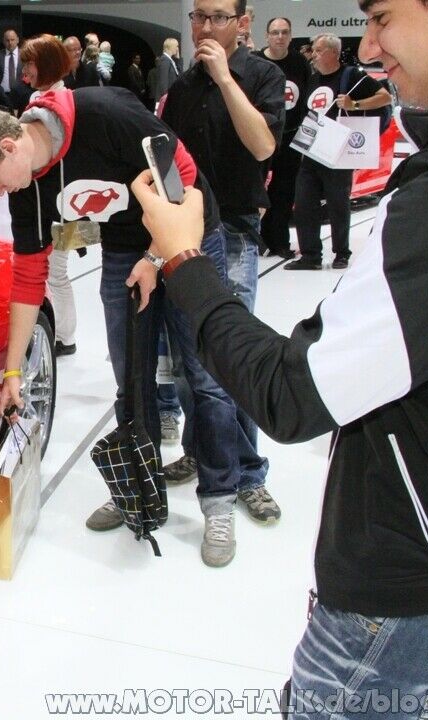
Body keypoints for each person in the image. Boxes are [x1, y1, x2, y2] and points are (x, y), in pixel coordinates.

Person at [130, 0, 428, 699]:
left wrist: (182, 257)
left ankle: (237, 481)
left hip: (422, 588)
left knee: (221, 386)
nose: (368, 46)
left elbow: (293, 394)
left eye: (384, 17)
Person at [0, 89, 225, 547]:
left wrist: (155, 259)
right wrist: (13, 369)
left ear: (9, 146)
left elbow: (184, 183)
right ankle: (139, 488)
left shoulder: (106, 116)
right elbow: (29, 277)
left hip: (188, 234)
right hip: (122, 246)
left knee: (203, 374)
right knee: (131, 378)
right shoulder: (27, 187)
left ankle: (219, 499)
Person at [159, 0, 286, 528]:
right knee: (190, 359)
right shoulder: (182, 89)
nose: (204, 28)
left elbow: (263, 146)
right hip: (187, 233)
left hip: (233, 229)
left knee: (230, 354)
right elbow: (165, 159)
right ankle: (205, 446)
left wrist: (225, 78)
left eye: (216, 17)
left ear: (242, 22)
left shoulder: (262, 76)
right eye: (197, 17)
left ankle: (250, 474)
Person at [285, 32, 393, 270]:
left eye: (319, 50)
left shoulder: (351, 75)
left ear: (333, 52)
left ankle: (341, 253)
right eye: (314, 50)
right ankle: (310, 255)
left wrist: (354, 104)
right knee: (304, 204)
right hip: (312, 150)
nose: (314, 55)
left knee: (338, 204)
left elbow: (385, 97)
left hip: (339, 151)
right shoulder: (313, 80)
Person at [18, 34, 80, 357]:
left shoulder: (51, 103)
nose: (25, 71)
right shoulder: (52, 98)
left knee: (56, 273)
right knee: (55, 273)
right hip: (56, 203)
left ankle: (66, 337)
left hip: (57, 205)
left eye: (30, 64)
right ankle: (63, 334)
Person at [258, 17, 310, 259]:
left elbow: (308, 100)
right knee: (258, 189)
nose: (280, 36)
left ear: (290, 36)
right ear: (267, 35)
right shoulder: (257, 62)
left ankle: (280, 242)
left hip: (290, 139)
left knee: (284, 191)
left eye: (284, 32)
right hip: (261, 136)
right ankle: (259, 240)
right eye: (275, 32)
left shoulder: (300, 63)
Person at [0, 29, 31, 111]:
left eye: (12, 40)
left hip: (21, 93)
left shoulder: (25, 54)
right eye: (7, 40)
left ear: (17, 40)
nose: (10, 43)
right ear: (3, 41)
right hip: (2, 94)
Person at [151, 38, 182, 108]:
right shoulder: (165, 60)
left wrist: (178, 59)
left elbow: (180, 75)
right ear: (171, 46)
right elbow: (163, 83)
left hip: (169, 100)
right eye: (176, 46)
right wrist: (167, 102)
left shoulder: (170, 60)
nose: (177, 49)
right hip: (165, 101)